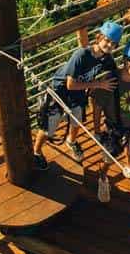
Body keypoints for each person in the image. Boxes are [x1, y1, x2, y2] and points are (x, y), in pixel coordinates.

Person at [33, 21, 122, 169]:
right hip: (60, 93)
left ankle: (71, 141)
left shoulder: (106, 59)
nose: (109, 45)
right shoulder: (81, 55)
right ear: (99, 37)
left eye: (113, 43)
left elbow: (115, 73)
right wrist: (98, 84)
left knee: (77, 121)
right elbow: (70, 84)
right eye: (106, 40)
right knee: (49, 127)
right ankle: (36, 152)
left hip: (78, 93)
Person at [95, 39, 130, 184]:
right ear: (124, 59)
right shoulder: (111, 80)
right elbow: (97, 106)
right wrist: (96, 130)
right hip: (114, 127)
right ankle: (102, 176)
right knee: (109, 157)